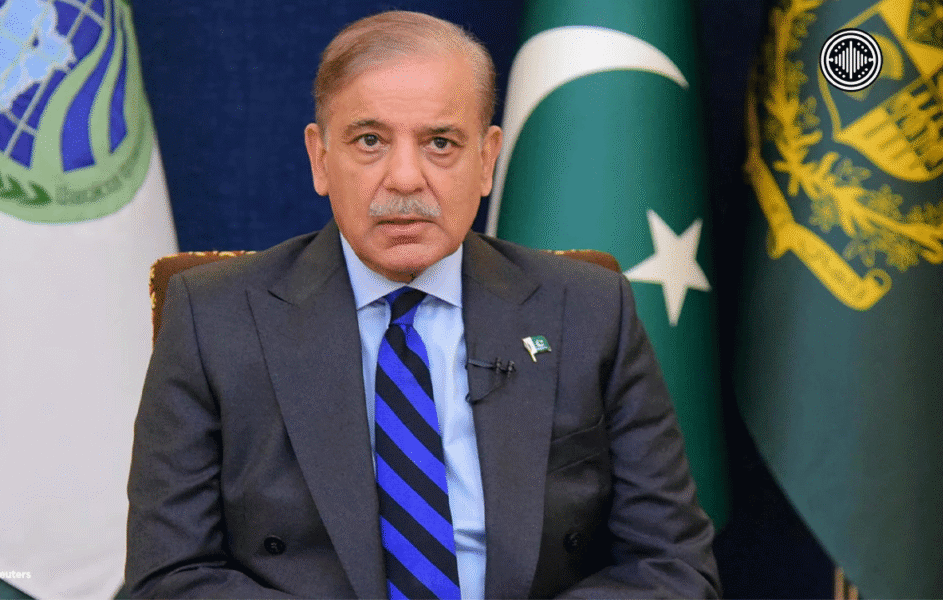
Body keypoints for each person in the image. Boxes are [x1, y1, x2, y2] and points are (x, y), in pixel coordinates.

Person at [126, 10, 720, 599]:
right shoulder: (215, 318)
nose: (405, 179)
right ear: (320, 157)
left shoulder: (587, 310)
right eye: (370, 141)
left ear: (486, 160)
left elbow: (672, 565)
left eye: (440, 143)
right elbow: (169, 576)